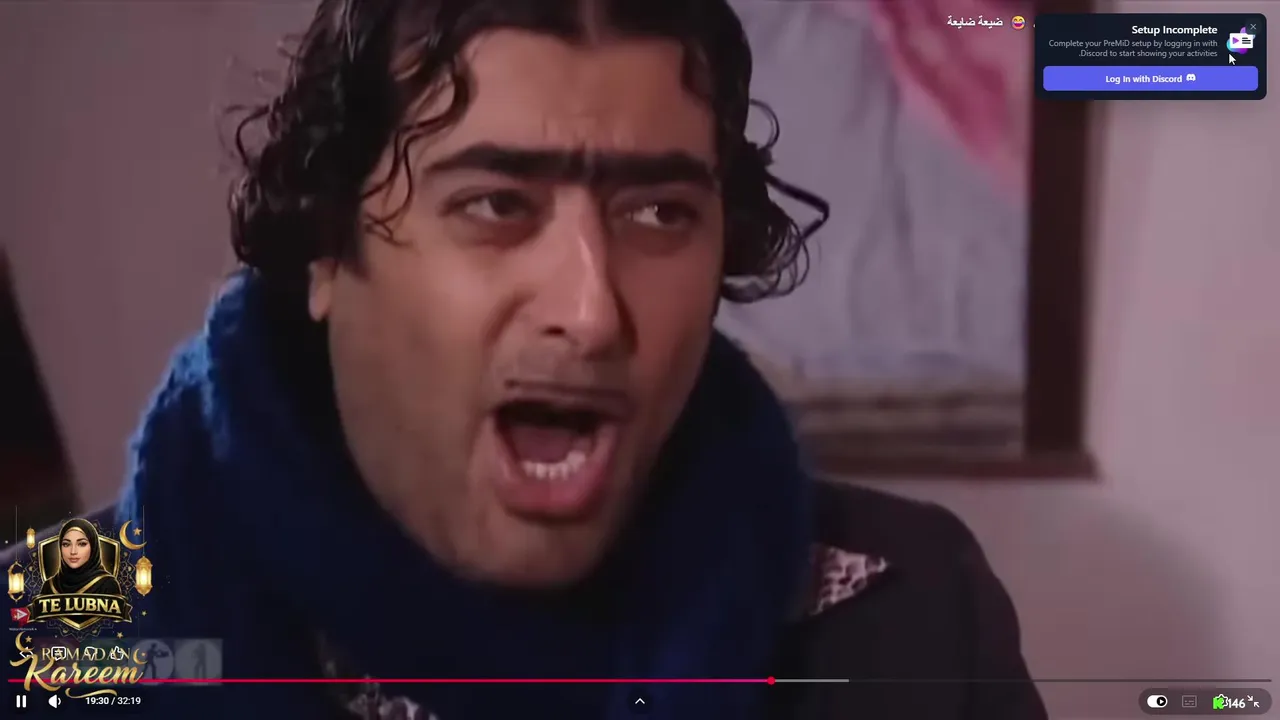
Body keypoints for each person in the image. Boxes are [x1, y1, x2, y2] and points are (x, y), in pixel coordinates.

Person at [3, 1, 1046, 718]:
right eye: (496, 204)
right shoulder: (45, 635)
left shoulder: (913, 614)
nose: (590, 313)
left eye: (659, 213)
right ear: (326, 247)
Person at [37, 519, 121, 597]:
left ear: (93, 547)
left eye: (82, 544)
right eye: (66, 544)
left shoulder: (107, 584)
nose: (73, 551)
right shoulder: (50, 586)